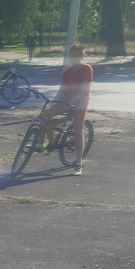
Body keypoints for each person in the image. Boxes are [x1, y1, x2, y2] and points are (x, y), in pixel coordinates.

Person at [36, 44, 92, 176]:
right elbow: (62, 91)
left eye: (76, 56)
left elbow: (84, 89)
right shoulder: (66, 72)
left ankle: (78, 163)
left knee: (78, 133)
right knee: (44, 114)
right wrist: (54, 102)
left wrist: (70, 102)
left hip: (80, 104)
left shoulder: (86, 69)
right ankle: (41, 141)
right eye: (71, 56)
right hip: (66, 102)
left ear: (82, 57)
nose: (74, 59)